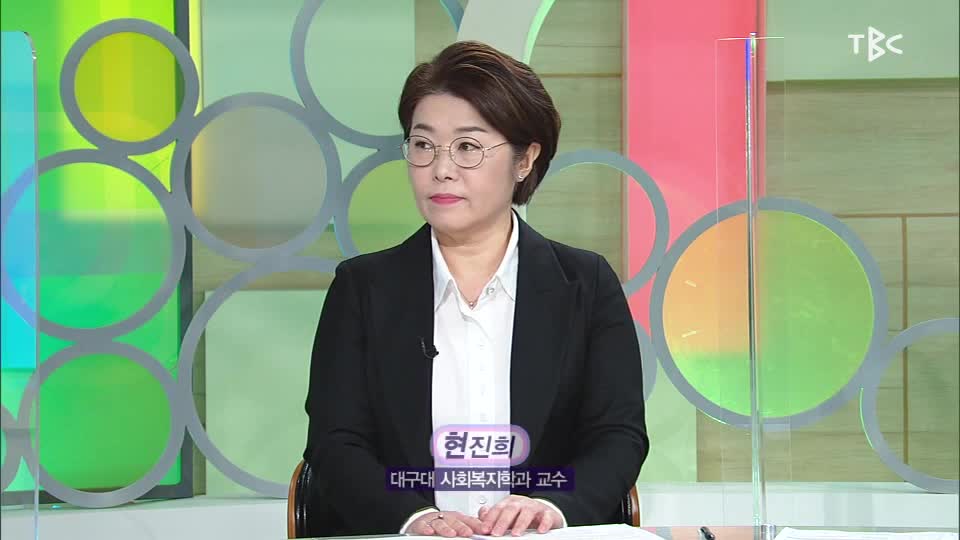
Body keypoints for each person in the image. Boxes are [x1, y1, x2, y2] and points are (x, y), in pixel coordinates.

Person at [303, 40, 648, 537]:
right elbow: (335, 442)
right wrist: (415, 519)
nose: (441, 168)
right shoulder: (362, 288)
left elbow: (617, 435)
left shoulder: (585, 284)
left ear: (525, 160)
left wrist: (551, 507)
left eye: (467, 147)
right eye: (423, 145)